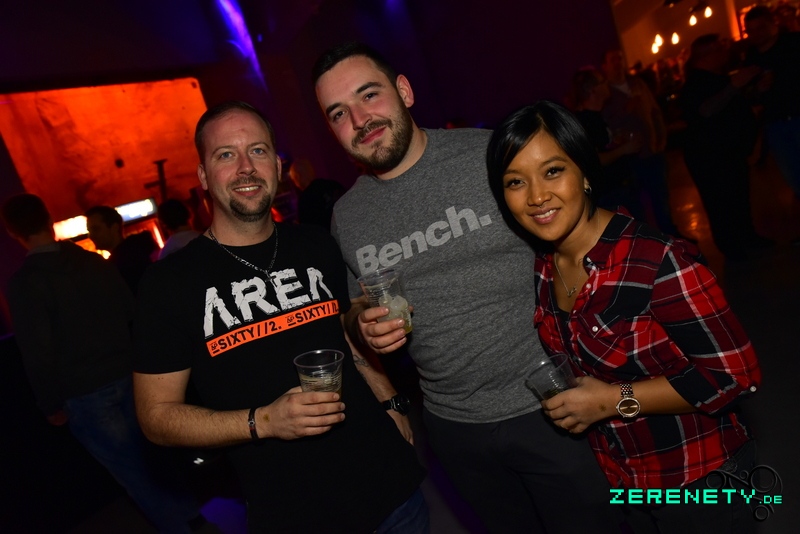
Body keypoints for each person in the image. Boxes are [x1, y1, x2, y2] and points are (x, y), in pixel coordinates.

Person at [313, 42, 620, 533]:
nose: (359, 119)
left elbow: (582, 237)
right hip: (454, 430)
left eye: (369, 95)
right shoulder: (347, 216)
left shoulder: (490, 155)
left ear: (404, 91)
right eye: (338, 113)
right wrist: (361, 326)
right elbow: (352, 307)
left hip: (554, 406)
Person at [132, 101, 427, 533]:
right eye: (226, 154)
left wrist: (389, 397)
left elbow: (345, 335)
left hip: (391, 490)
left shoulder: (316, 244)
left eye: (258, 150)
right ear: (203, 177)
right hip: (294, 512)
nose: (246, 167)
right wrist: (264, 421)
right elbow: (156, 417)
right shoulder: (169, 284)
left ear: (276, 165)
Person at [486, 101, 762, 533]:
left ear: (585, 172)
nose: (536, 196)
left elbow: (737, 377)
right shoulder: (544, 264)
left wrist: (611, 401)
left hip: (697, 476)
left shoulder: (658, 262)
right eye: (515, 181)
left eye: (553, 171)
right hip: (623, 476)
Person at [1, 194, 204, 534]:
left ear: (12, 232)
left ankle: (179, 527)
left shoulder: (25, 284)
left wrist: (49, 403)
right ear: (48, 218)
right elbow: (129, 310)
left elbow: (37, 352)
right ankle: (193, 517)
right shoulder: (93, 262)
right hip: (128, 373)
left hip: (85, 390)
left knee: (133, 474)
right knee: (153, 457)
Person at [680, 34, 774, 261]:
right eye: (720, 49)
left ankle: (747, 236)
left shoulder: (717, 78)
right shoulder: (695, 84)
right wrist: (734, 86)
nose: (725, 53)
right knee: (720, 201)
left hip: (730, 150)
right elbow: (705, 110)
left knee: (739, 195)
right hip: (710, 155)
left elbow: (733, 106)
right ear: (707, 55)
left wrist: (756, 91)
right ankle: (731, 246)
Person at [601, 49, 681, 237]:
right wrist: (629, 108)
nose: (618, 63)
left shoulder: (637, 83)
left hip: (653, 151)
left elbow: (654, 111)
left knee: (661, 197)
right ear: (605, 66)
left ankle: (671, 236)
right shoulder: (605, 94)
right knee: (637, 205)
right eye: (613, 59)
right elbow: (609, 125)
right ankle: (647, 241)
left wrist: (661, 138)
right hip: (630, 159)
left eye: (620, 58)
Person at [569, 66, 646, 219]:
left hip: (620, 187)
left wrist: (618, 138)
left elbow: (603, 144)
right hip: (611, 193)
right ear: (593, 90)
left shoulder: (597, 116)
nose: (607, 84)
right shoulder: (585, 121)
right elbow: (594, 159)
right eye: (603, 82)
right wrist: (625, 149)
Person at [744, 5, 800, 200]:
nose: (755, 34)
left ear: (772, 24)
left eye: (760, 28)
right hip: (774, 122)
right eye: (750, 30)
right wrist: (758, 89)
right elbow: (748, 93)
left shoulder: (793, 43)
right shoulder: (751, 57)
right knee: (792, 173)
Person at [85, 205, 156, 293]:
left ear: (114, 227)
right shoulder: (137, 251)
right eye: (89, 231)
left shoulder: (121, 264)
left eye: (96, 229)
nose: (91, 236)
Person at [289, 157, 346, 231]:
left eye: (294, 179)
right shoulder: (332, 185)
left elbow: (308, 231)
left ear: (298, 176)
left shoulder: (305, 201)